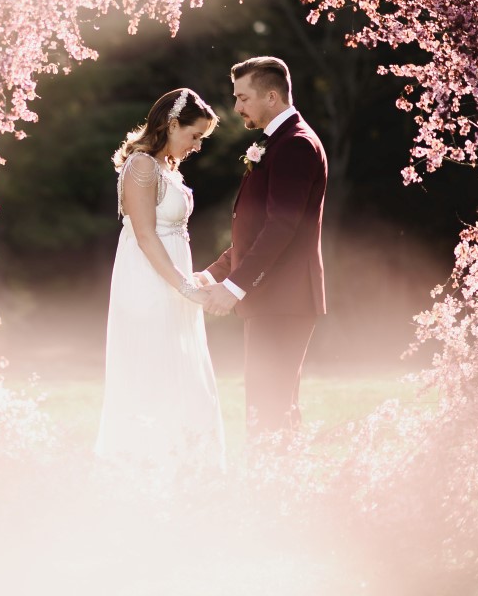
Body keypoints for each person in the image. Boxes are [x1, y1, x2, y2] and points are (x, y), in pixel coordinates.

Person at [95, 88, 226, 470]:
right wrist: (182, 285)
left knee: (181, 369)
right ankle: (146, 467)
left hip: (171, 283)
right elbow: (147, 236)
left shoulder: (167, 168)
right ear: (172, 125)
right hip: (147, 286)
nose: (198, 145)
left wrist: (189, 281)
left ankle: (186, 463)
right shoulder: (141, 166)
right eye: (195, 135)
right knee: (154, 368)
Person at [197, 57, 327, 433]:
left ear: (271, 96)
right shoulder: (279, 143)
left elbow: (282, 227)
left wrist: (234, 288)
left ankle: (272, 489)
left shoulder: (296, 145)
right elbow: (256, 230)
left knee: (269, 408)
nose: (236, 107)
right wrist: (212, 275)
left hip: (284, 298)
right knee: (272, 406)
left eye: (243, 98)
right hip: (274, 298)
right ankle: (283, 487)